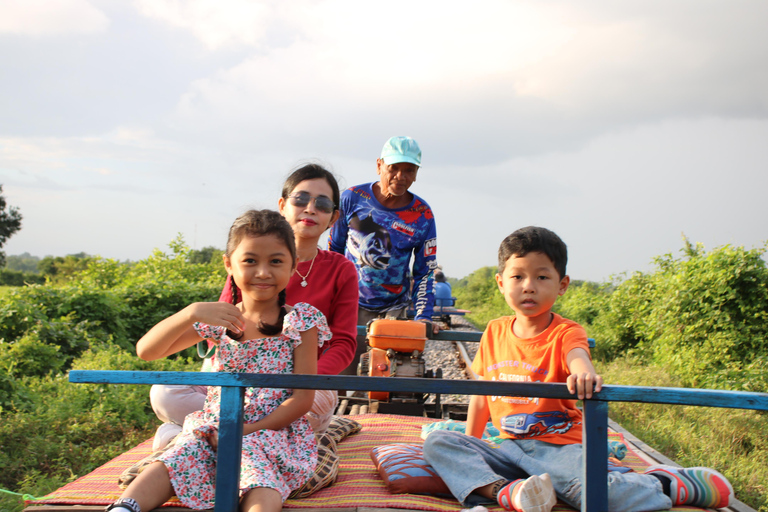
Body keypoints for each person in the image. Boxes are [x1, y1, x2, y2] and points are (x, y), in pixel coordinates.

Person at [423, 226, 734, 512]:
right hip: (507, 447)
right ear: (501, 283)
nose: (528, 287)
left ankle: (664, 483)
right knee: (440, 443)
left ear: (562, 285)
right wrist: (475, 446)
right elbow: (481, 397)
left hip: (559, 448)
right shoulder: (494, 330)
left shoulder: (566, 332)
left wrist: (582, 372)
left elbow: (578, 358)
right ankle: (508, 493)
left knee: (601, 497)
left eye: (542, 277)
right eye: (518, 277)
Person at [106, 210, 331, 512]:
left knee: (259, 472)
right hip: (216, 425)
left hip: (273, 431)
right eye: (250, 261)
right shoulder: (219, 319)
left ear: (293, 267)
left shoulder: (301, 322)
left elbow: (302, 399)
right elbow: (147, 350)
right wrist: (191, 312)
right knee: (176, 458)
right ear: (229, 264)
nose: (263, 272)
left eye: (275, 261)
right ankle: (124, 509)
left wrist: (247, 430)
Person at [149, 165, 358, 449]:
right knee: (164, 392)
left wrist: (298, 381)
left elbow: (344, 343)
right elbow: (224, 325)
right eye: (300, 199)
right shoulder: (245, 258)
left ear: (333, 217)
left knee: (305, 409)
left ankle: (196, 436)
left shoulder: (341, 270)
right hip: (238, 375)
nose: (310, 209)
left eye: (322, 204)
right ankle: (216, 433)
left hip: (302, 384)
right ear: (283, 205)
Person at [329, 136, 438, 373]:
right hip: (350, 303)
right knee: (340, 373)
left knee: (381, 376)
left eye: (409, 170)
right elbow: (334, 251)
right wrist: (330, 297)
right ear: (379, 165)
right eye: (394, 168)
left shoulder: (422, 215)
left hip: (393, 310)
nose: (401, 176)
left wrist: (423, 316)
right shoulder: (353, 198)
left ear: (417, 173)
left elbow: (425, 272)